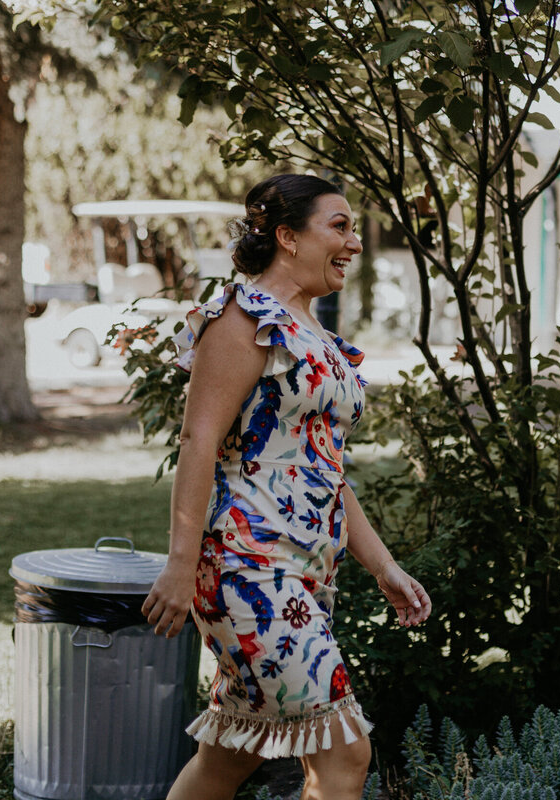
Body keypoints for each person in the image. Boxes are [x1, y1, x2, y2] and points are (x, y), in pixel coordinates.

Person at [142, 174, 432, 800]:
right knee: (344, 753)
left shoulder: (316, 336)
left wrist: (383, 566)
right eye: (340, 226)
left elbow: (323, 469)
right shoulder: (243, 319)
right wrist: (179, 563)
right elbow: (198, 442)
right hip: (246, 567)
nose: (354, 243)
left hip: (305, 569)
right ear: (287, 237)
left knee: (230, 755)